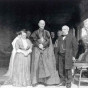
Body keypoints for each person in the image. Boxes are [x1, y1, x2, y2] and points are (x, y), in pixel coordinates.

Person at [31, 20, 60, 86]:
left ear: (44, 24)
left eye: (43, 24)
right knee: (36, 65)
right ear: (38, 24)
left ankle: (45, 82)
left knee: (45, 65)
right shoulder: (35, 32)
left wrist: (43, 45)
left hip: (45, 50)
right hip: (37, 51)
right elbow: (34, 40)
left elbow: (48, 41)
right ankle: (35, 81)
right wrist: (39, 45)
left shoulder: (47, 32)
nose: (42, 25)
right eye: (41, 23)